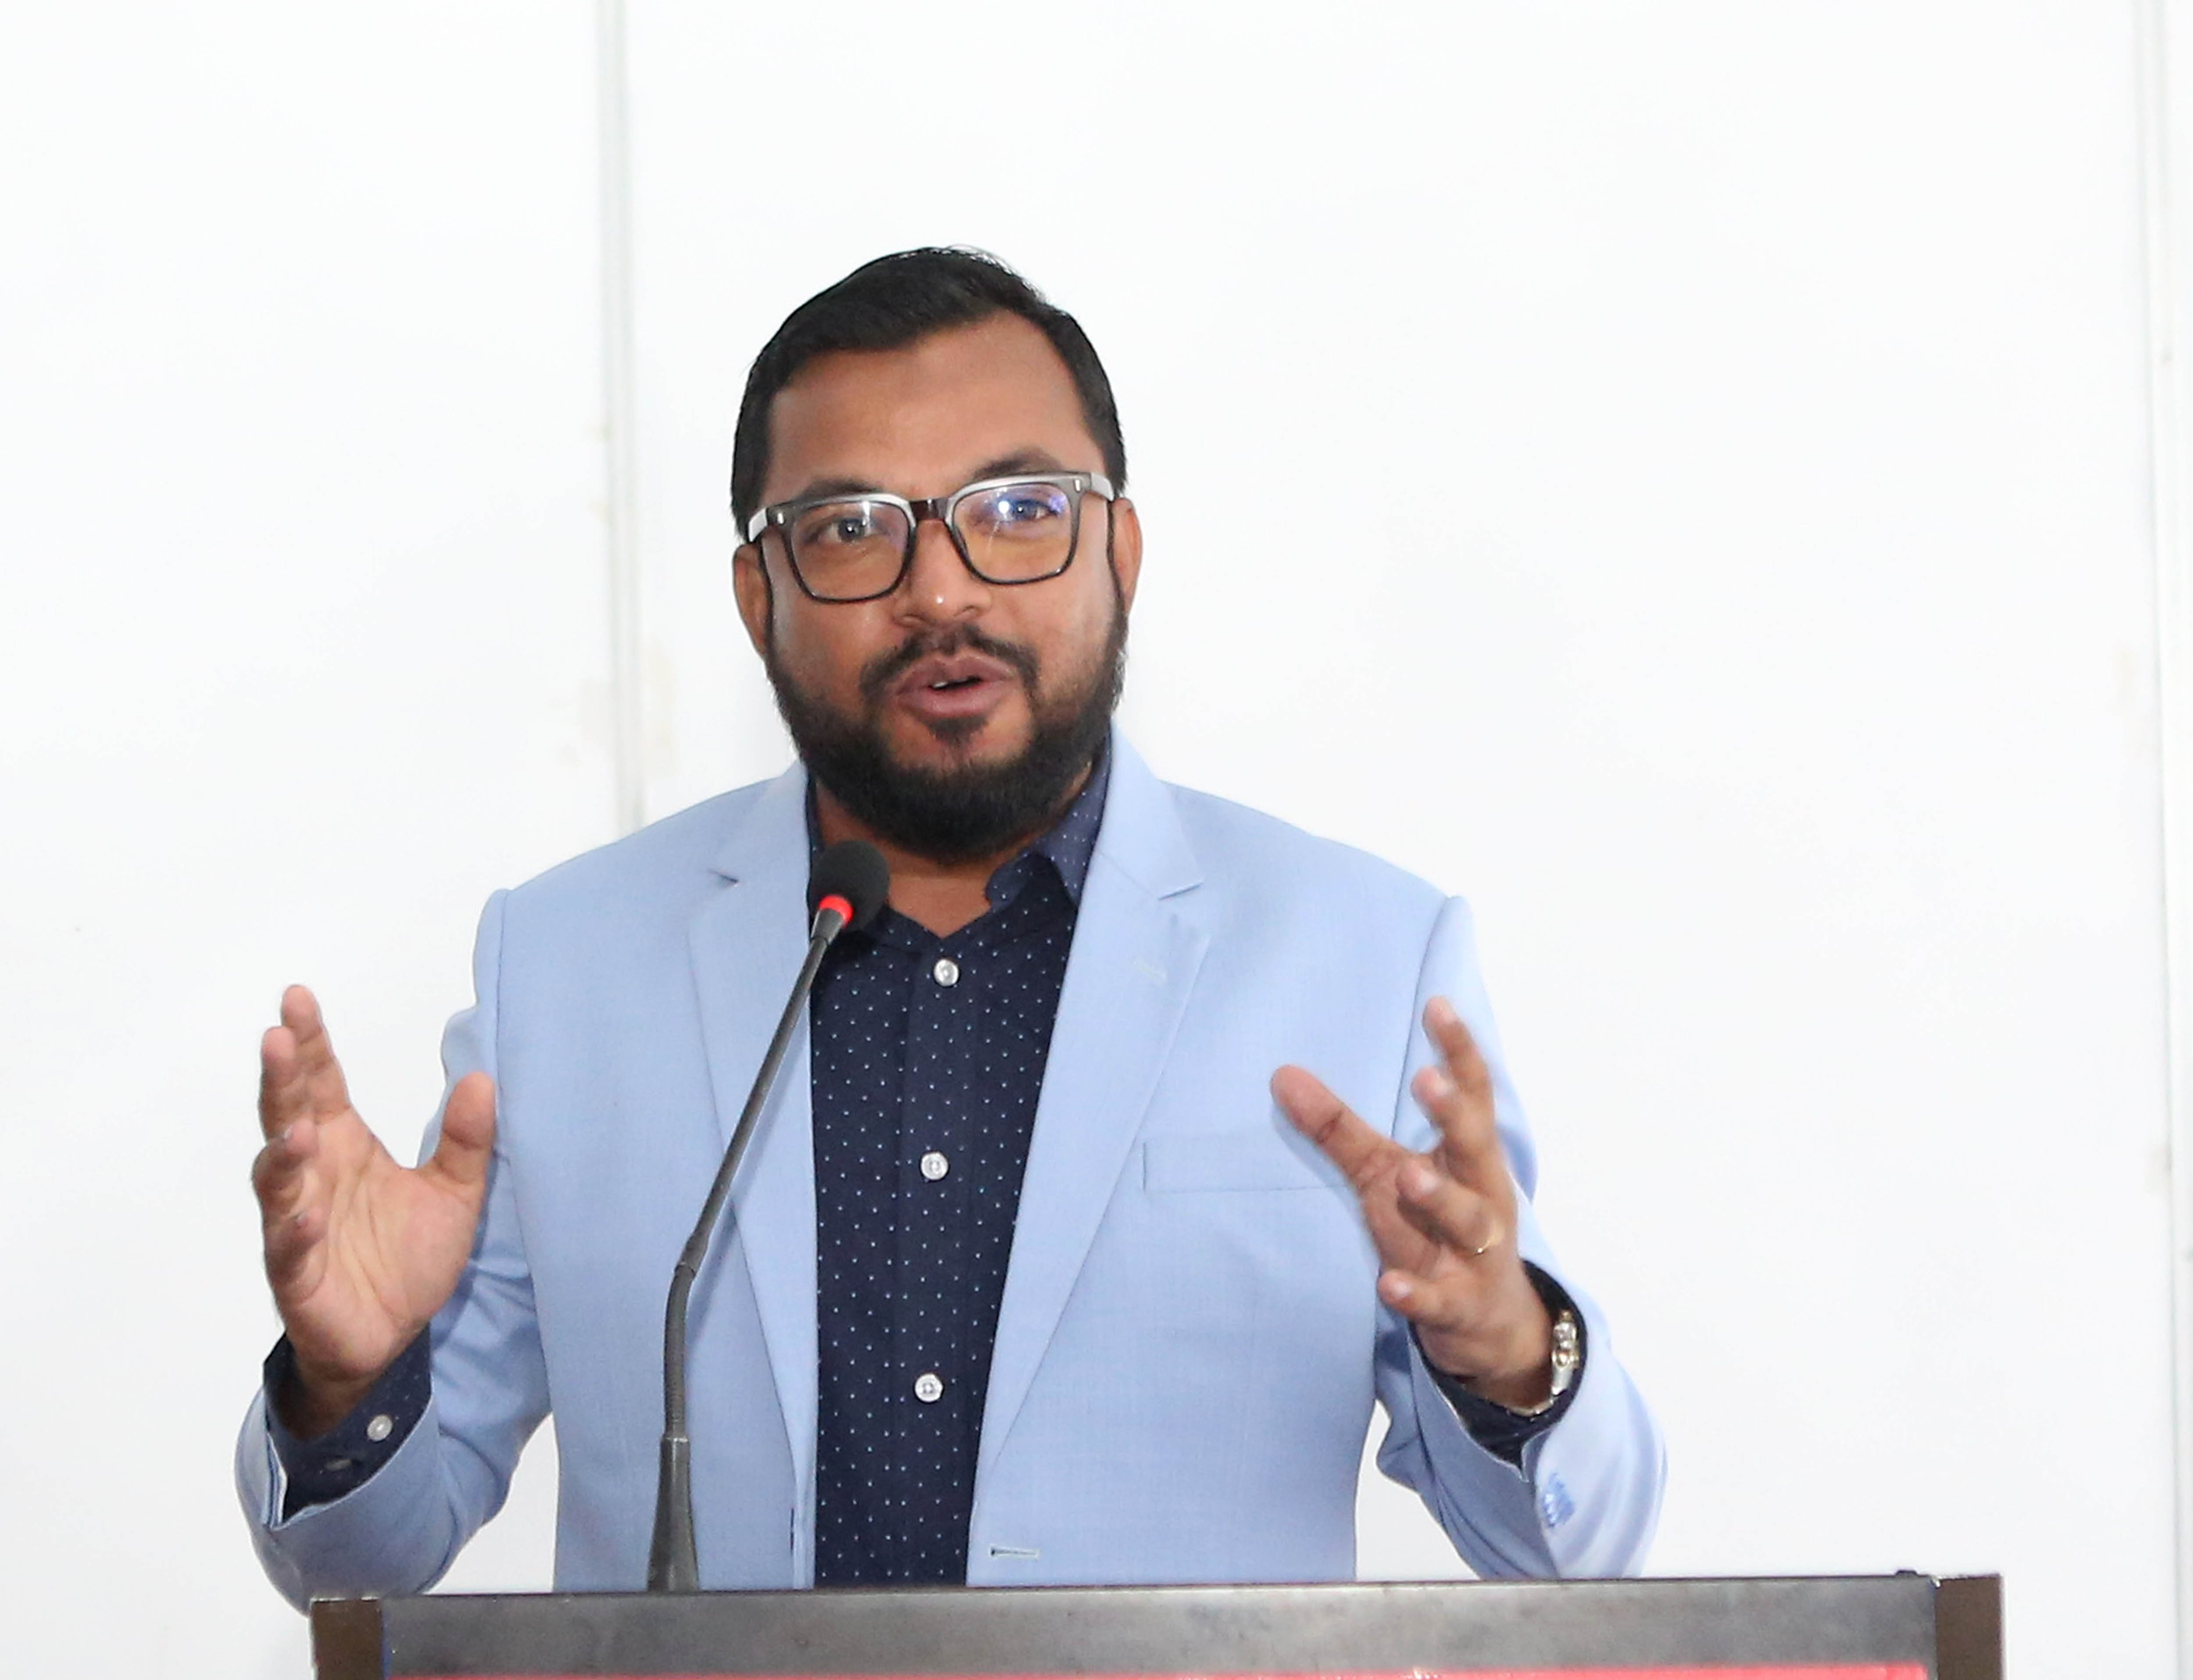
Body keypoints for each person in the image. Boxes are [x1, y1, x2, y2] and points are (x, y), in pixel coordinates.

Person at [240, 249, 1662, 1602]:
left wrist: (1506, 1354)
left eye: (1020, 508)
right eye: (850, 529)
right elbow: (358, 1566)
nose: (941, 590)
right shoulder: (567, 969)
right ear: (757, 596)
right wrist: (348, 1382)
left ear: (1121, 551)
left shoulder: (1361, 958)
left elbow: (1568, 1553)